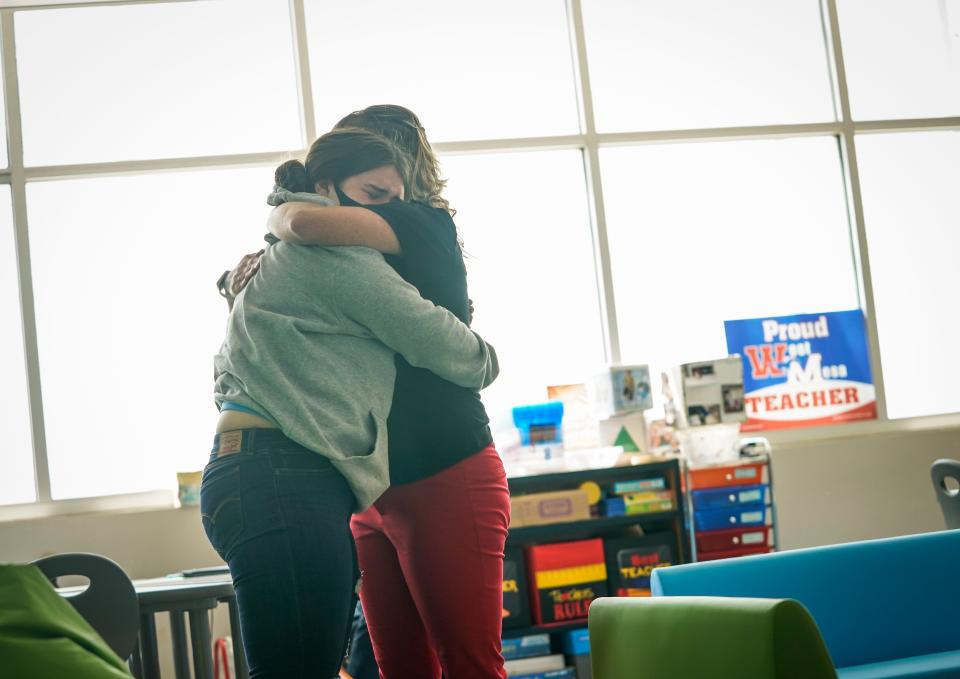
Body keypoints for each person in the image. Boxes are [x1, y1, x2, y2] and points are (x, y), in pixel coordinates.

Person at [223, 105, 511, 679]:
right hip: (363, 482)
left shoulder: (417, 221)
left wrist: (282, 214)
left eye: (389, 184)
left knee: (469, 663)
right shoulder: (332, 248)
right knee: (396, 666)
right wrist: (238, 274)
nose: (383, 197)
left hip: (444, 467)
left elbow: (303, 225)